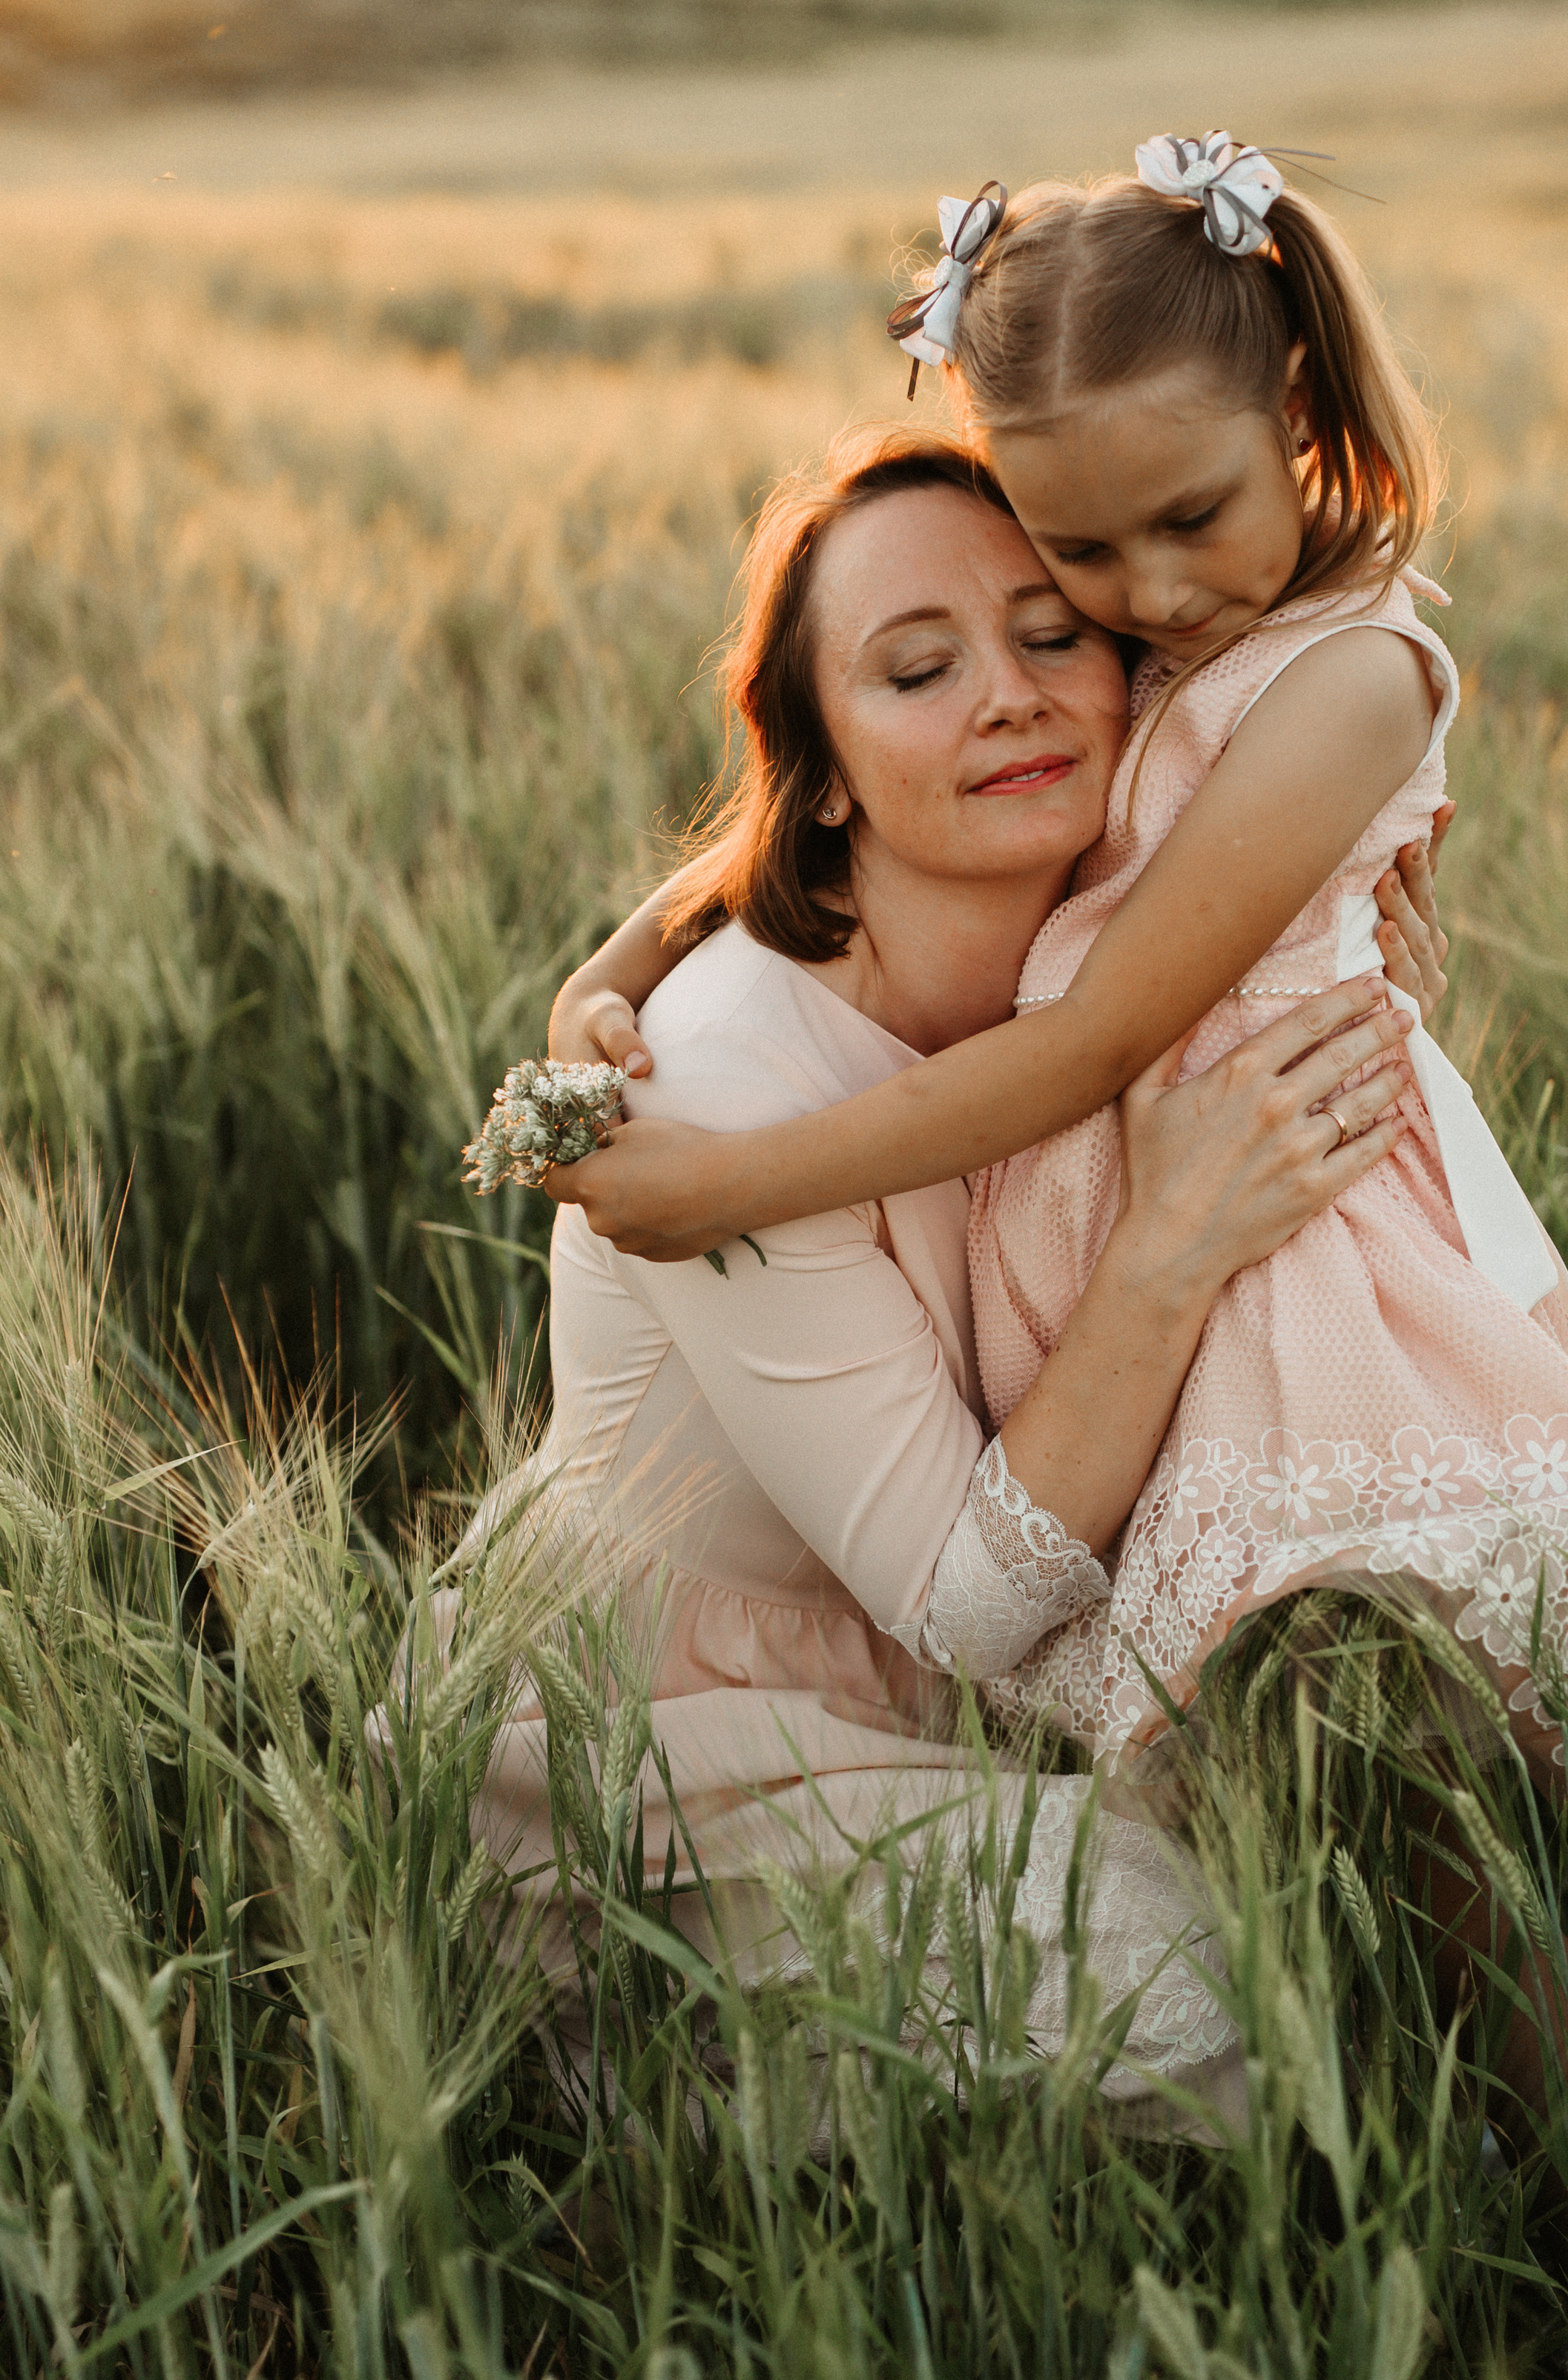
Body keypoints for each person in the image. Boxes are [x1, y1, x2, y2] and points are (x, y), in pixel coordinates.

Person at [548, 135, 1568, 1770]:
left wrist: (731, 1189)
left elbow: (1094, 1036)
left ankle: (1553, 2034)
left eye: (1181, 522)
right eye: (1079, 558)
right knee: (1268, 1742)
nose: (1148, 597)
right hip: (1132, 1202)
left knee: (1434, 1718)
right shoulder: (1171, 632)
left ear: (1299, 412)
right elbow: (773, 824)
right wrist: (601, 983)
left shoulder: (1349, 673)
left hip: (1282, 1227)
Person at [475, 432, 1448, 2134]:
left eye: (1049, 634)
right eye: (916, 669)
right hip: (679, 1743)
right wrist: (1167, 1249)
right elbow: (961, 1597)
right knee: (1195, 1992)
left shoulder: (1113, 967)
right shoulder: (717, 1093)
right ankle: (613, 2086)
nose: (1006, 695)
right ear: (828, 772)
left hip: (998, 1690)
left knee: (1363, 1916)